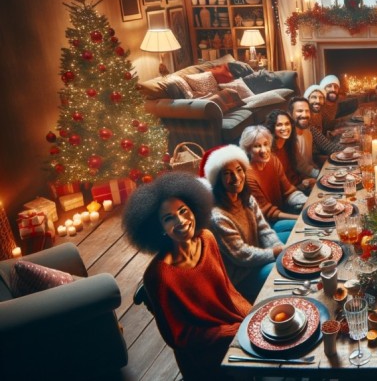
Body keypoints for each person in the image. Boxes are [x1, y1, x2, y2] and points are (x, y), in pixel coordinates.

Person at [123, 172, 251, 380]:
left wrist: (252, 316)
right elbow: (179, 336)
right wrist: (233, 331)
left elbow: (227, 291)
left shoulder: (207, 239)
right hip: (206, 355)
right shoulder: (159, 276)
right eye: (168, 218)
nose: (181, 221)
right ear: (159, 228)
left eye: (183, 211)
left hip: (235, 327)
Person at [201, 144, 287, 302]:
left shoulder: (246, 198)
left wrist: (279, 248)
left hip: (258, 256)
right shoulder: (217, 216)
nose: (236, 178)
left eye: (239, 170)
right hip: (242, 276)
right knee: (282, 273)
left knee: (290, 242)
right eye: (227, 173)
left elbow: (263, 229)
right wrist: (275, 253)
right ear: (217, 179)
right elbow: (242, 255)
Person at [240, 125, 306, 220]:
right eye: (257, 146)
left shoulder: (273, 160)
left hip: (282, 211)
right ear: (248, 149)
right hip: (267, 223)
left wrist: (307, 202)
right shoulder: (248, 176)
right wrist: (299, 218)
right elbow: (267, 212)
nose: (263, 150)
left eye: (266, 144)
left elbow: (288, 191)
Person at [264, 109, 315, 192]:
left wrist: (305, 181)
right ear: (272, 128)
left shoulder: (289, 144)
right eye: (279, 125)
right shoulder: (269, 152)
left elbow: (296, 169)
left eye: (287, 124)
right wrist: (301, 186)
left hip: (299, 185)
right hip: (289, 193)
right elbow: (278, 186)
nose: (284, 128)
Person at [289, 97, 320, 179]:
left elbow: (309, 162)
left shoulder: (308, 132)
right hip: (300, 183)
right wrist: (319, 174)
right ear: (290, 114)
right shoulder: (290, 137)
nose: (305, 115)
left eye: (307, 111)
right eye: (300, 111)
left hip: (312, 176)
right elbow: (299, 166)